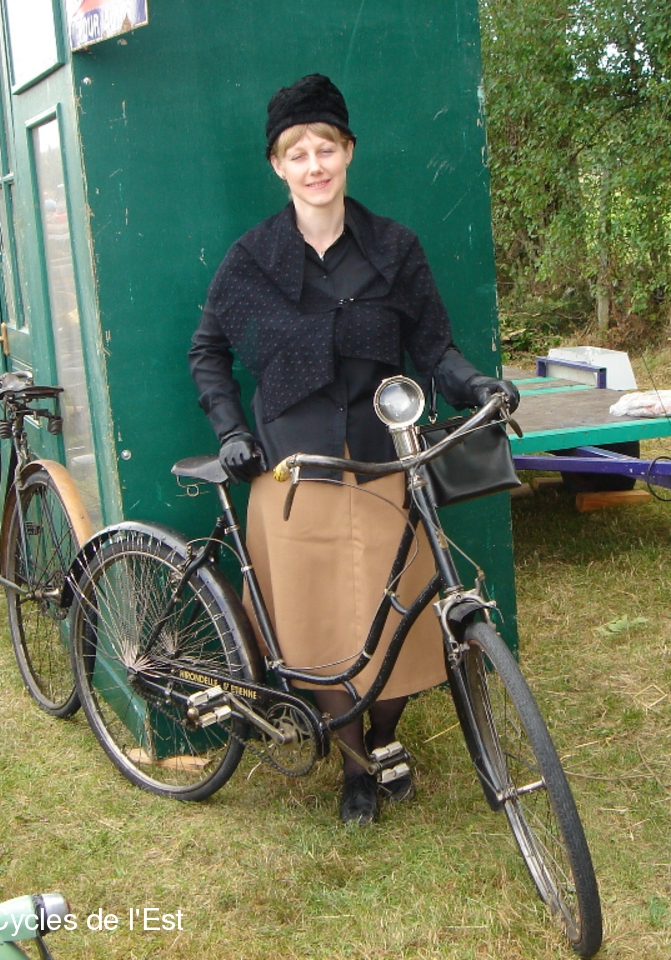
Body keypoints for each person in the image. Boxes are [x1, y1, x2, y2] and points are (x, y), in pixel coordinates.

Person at [189, 74, 518, 825]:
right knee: (317, 631)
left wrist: (476, 385)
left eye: (326, 149)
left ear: (348, 153)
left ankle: (385, 735)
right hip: (293, 472)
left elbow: (434, 348)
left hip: (381, 465)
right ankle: (355, 767)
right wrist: (232, 431)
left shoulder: (395, 249)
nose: (314, 165)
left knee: (395, 621)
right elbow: (207, 352)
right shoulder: (252, 258)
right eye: (297, 153)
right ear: (277, 165)